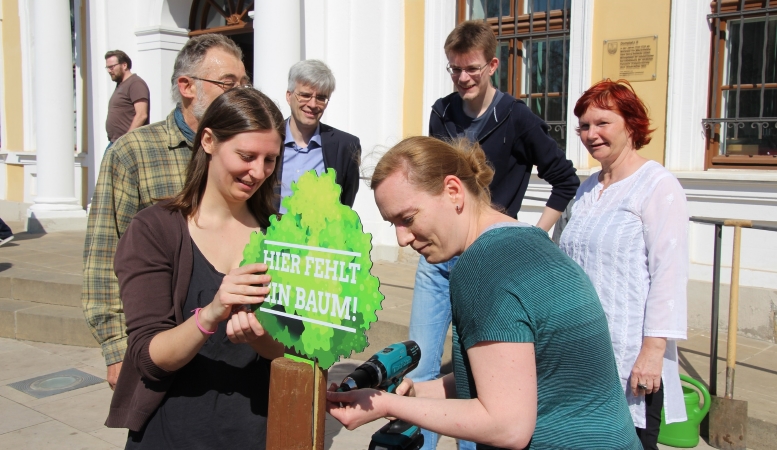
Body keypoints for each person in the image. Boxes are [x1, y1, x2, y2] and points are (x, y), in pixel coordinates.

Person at [326, 136, 641, 450]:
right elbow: (510, 374)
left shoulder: (481, 266)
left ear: (453, 191)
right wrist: (417, 394)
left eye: (407, 219)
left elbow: (506, 426)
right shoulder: (525, 239)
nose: (401, 239)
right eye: (392, 223)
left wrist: (386, 405)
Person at [409, 20, 579, 449]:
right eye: (454, 69)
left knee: (479, 383)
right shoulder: (442, 112)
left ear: (492, 66)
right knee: (419, 366)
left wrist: (535, 233)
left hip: (488, 266)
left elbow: (564, 179)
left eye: (471, 69)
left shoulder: (516, 116)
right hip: (438, 261)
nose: (462, 78)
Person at [107, 87, 286, 448]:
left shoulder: (283, 235)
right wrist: (212, 313)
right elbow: (148, 356)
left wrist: (262, 338)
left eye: (270, 160)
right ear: (208, 141)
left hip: (259, 432)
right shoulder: (155, 229)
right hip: (173, 432)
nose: (258, 172)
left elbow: (296, 353)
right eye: (247, 155)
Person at [82, 34, 250, 391]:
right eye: (228, 84)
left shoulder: (249, 157)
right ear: (186, 86)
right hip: (165, 348)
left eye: (244, 83)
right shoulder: (133, 153)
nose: (240, 93)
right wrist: (115, 349)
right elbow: (102, 255)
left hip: (238, 352)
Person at [559, 79, 688, 450]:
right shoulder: (588, 188)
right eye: (584, 125)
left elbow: (670, 274)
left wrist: (653, 351)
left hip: (631, 359)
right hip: (583, 354)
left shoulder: (657, 186)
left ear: (630, 124)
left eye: (602, 123)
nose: (590, 134)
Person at [278, 59, 361, 212]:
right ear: (289, 96)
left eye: (321, 98)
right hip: (271, 234)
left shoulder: (346, 146)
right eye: (305, 95)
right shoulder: (270, 139)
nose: (313, 104)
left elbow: (344, 205)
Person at [105, 50, 150, 145]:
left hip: (129, 143)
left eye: (112, 67)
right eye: (107, 67)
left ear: (124, 65)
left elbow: (142, 115)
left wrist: (125, 140)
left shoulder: (135, 83)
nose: (109, 70)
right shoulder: (121, 84)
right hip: (116, 142)